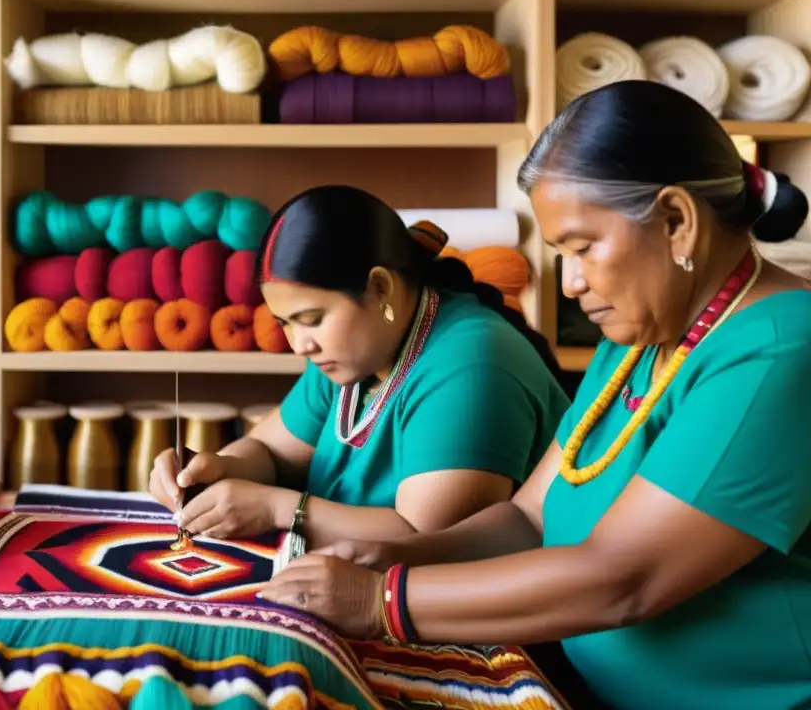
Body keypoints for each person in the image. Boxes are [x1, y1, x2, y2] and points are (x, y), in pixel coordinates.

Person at [259, 80, 811, 710]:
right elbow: (530, 517)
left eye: (583, 248)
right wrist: (396, 556)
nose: (571, 283)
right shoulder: (644, 333)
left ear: (676, 221)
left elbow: (626, 579)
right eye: (560, 254)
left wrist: (377, 600)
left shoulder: (781, 349)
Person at [149, 185, 571, 548]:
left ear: (380, 288)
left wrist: (277, 509)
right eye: (286, 324)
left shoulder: (472, 367)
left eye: (311, 319)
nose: (299, 345)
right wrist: (218, 469)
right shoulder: (359, 350)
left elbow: (429, 541)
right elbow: (272, 453)